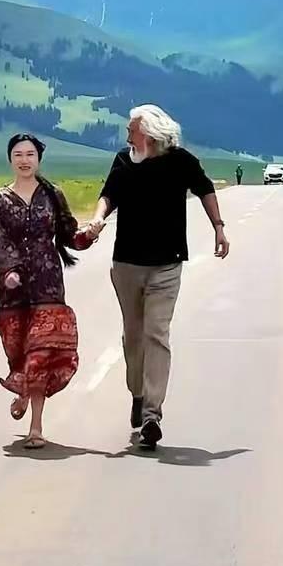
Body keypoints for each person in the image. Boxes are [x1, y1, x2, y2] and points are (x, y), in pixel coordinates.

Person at [87, 105, 230, 450]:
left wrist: (218, 227)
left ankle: (152, 415)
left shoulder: (181, 161)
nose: (126, 135)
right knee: (133, 337)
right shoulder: (124, 161)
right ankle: (137, 394)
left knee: (157, 334)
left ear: (149, 134)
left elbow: (205, 188)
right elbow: (109, 195)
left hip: (167, 264)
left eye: (131, 129)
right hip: (127, 264)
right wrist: (97, 219)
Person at [0, 133, 93, 449]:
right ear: (10, 159)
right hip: (12, 290)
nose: (24, 160)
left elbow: (68, 234)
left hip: (48, 283)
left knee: (40, 354)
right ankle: (22, 388)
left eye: (30, 154)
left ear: (39, 159)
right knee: (17, 350)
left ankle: (36, 427)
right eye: (18, 155)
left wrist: (88, 236)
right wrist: (11, 271)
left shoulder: (52, 194)